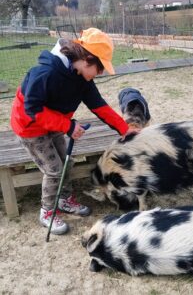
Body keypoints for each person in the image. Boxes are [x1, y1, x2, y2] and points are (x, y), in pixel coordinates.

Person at [10, 28, 136, 235]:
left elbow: (99, 106)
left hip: (56, 125)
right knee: (54, 170)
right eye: (100, 67)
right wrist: (67, 126)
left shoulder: (82, 78)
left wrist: (125, 129)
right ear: (87, 59)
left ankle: (64, 199)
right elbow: (31, 109)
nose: (101, 73)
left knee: (66, 162)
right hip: (30, 128)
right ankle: (47, 211)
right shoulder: (44, 73)